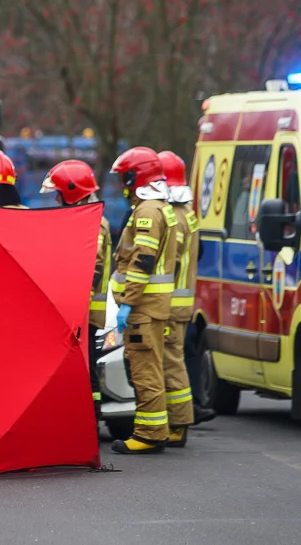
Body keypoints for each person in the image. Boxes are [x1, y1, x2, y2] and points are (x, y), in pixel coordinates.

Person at [108, 147, 177, 454]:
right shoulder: (161, 206)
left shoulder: (147, 211)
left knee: (144, 369)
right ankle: (156, 430)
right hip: (152, 306)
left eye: (124, 177)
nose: (122, 183)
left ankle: (149, 434)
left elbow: (142, 261)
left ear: (136, 176)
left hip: (143, 307)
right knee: (152, 366)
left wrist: (128, 302)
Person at [39, 159, 110, 421]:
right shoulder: (81, 218)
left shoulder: (94, 224)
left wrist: (75, 305)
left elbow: (93, 267)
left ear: (71, 193)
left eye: (59, 194)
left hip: (85, 311)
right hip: (79, 308)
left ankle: (91, 418)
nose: (56, 200)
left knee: (86, 368)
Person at [156, 151, 200, 446]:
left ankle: (180, 424)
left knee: (171, 364)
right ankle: (177, 422)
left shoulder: (175, 218)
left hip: (171, 304)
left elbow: (166, 261)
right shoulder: (188, 213)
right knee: (174, 361)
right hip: (180, 302)